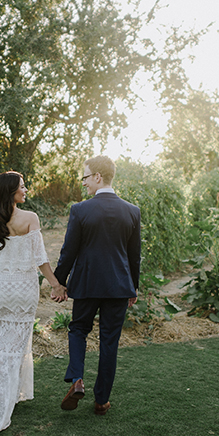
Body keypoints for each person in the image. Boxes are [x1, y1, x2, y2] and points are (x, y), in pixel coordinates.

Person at [0, 171, 67, 436]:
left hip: (5, 286)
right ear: (10, 192)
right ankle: (0, 402)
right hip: (25, 287)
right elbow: (41, 259)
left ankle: (12, 393)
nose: (26, 189)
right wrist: (56, 284)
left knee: (4, 343)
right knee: (16, 345)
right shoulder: (30, 218)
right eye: (22, 186)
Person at [54, 155, 141, 416]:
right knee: (109, 342)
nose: (84, 183)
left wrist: (59, 282)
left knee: (78, 329)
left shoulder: (80, 210)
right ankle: (101, 401)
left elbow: (69, 251)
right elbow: (134, 255)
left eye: (85, 177)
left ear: (98, 177)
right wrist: (133, 287)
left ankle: (77, 379)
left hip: (87, 283)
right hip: (118, 286)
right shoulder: (132, 211)